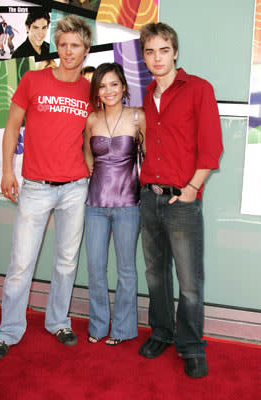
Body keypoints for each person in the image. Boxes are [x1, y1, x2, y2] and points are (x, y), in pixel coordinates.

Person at [0, 14, 93, 361]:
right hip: (35, 186)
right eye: (62, 44)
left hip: (75, 187)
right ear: (56, 45)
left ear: (86, 49)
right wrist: (7, 170)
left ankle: (58, 321)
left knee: (66, 261)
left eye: (75, 45)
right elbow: (11, 126)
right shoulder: (33, 80)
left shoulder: (90, 89)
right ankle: (8, 331)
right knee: (21, 263)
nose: (68, 51)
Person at [138, 22, 223, 378]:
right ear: (144, 57)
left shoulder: (198, 89)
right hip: (148, 198)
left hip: (182, 201)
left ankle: (190, 346)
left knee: (189, 282)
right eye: (149, 51)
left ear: (175, 52)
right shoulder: (147, 94)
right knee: (156, 275)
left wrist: (191, 188)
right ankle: (162, 332)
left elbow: (212, 146)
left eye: (163, 50)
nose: (156, 58)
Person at [83, 62, 146, 345]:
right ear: (97, 90)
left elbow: (149, 156)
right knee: (95, 267)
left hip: (128, 204)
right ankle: (97, 325)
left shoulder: (137, 117)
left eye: (114, 84)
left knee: (126, 269)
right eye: (102, 85)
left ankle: (122, 329)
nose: (108, 90)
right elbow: (88, 156)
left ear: (123, 86)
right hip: (95, 204)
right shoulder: (92, 120)